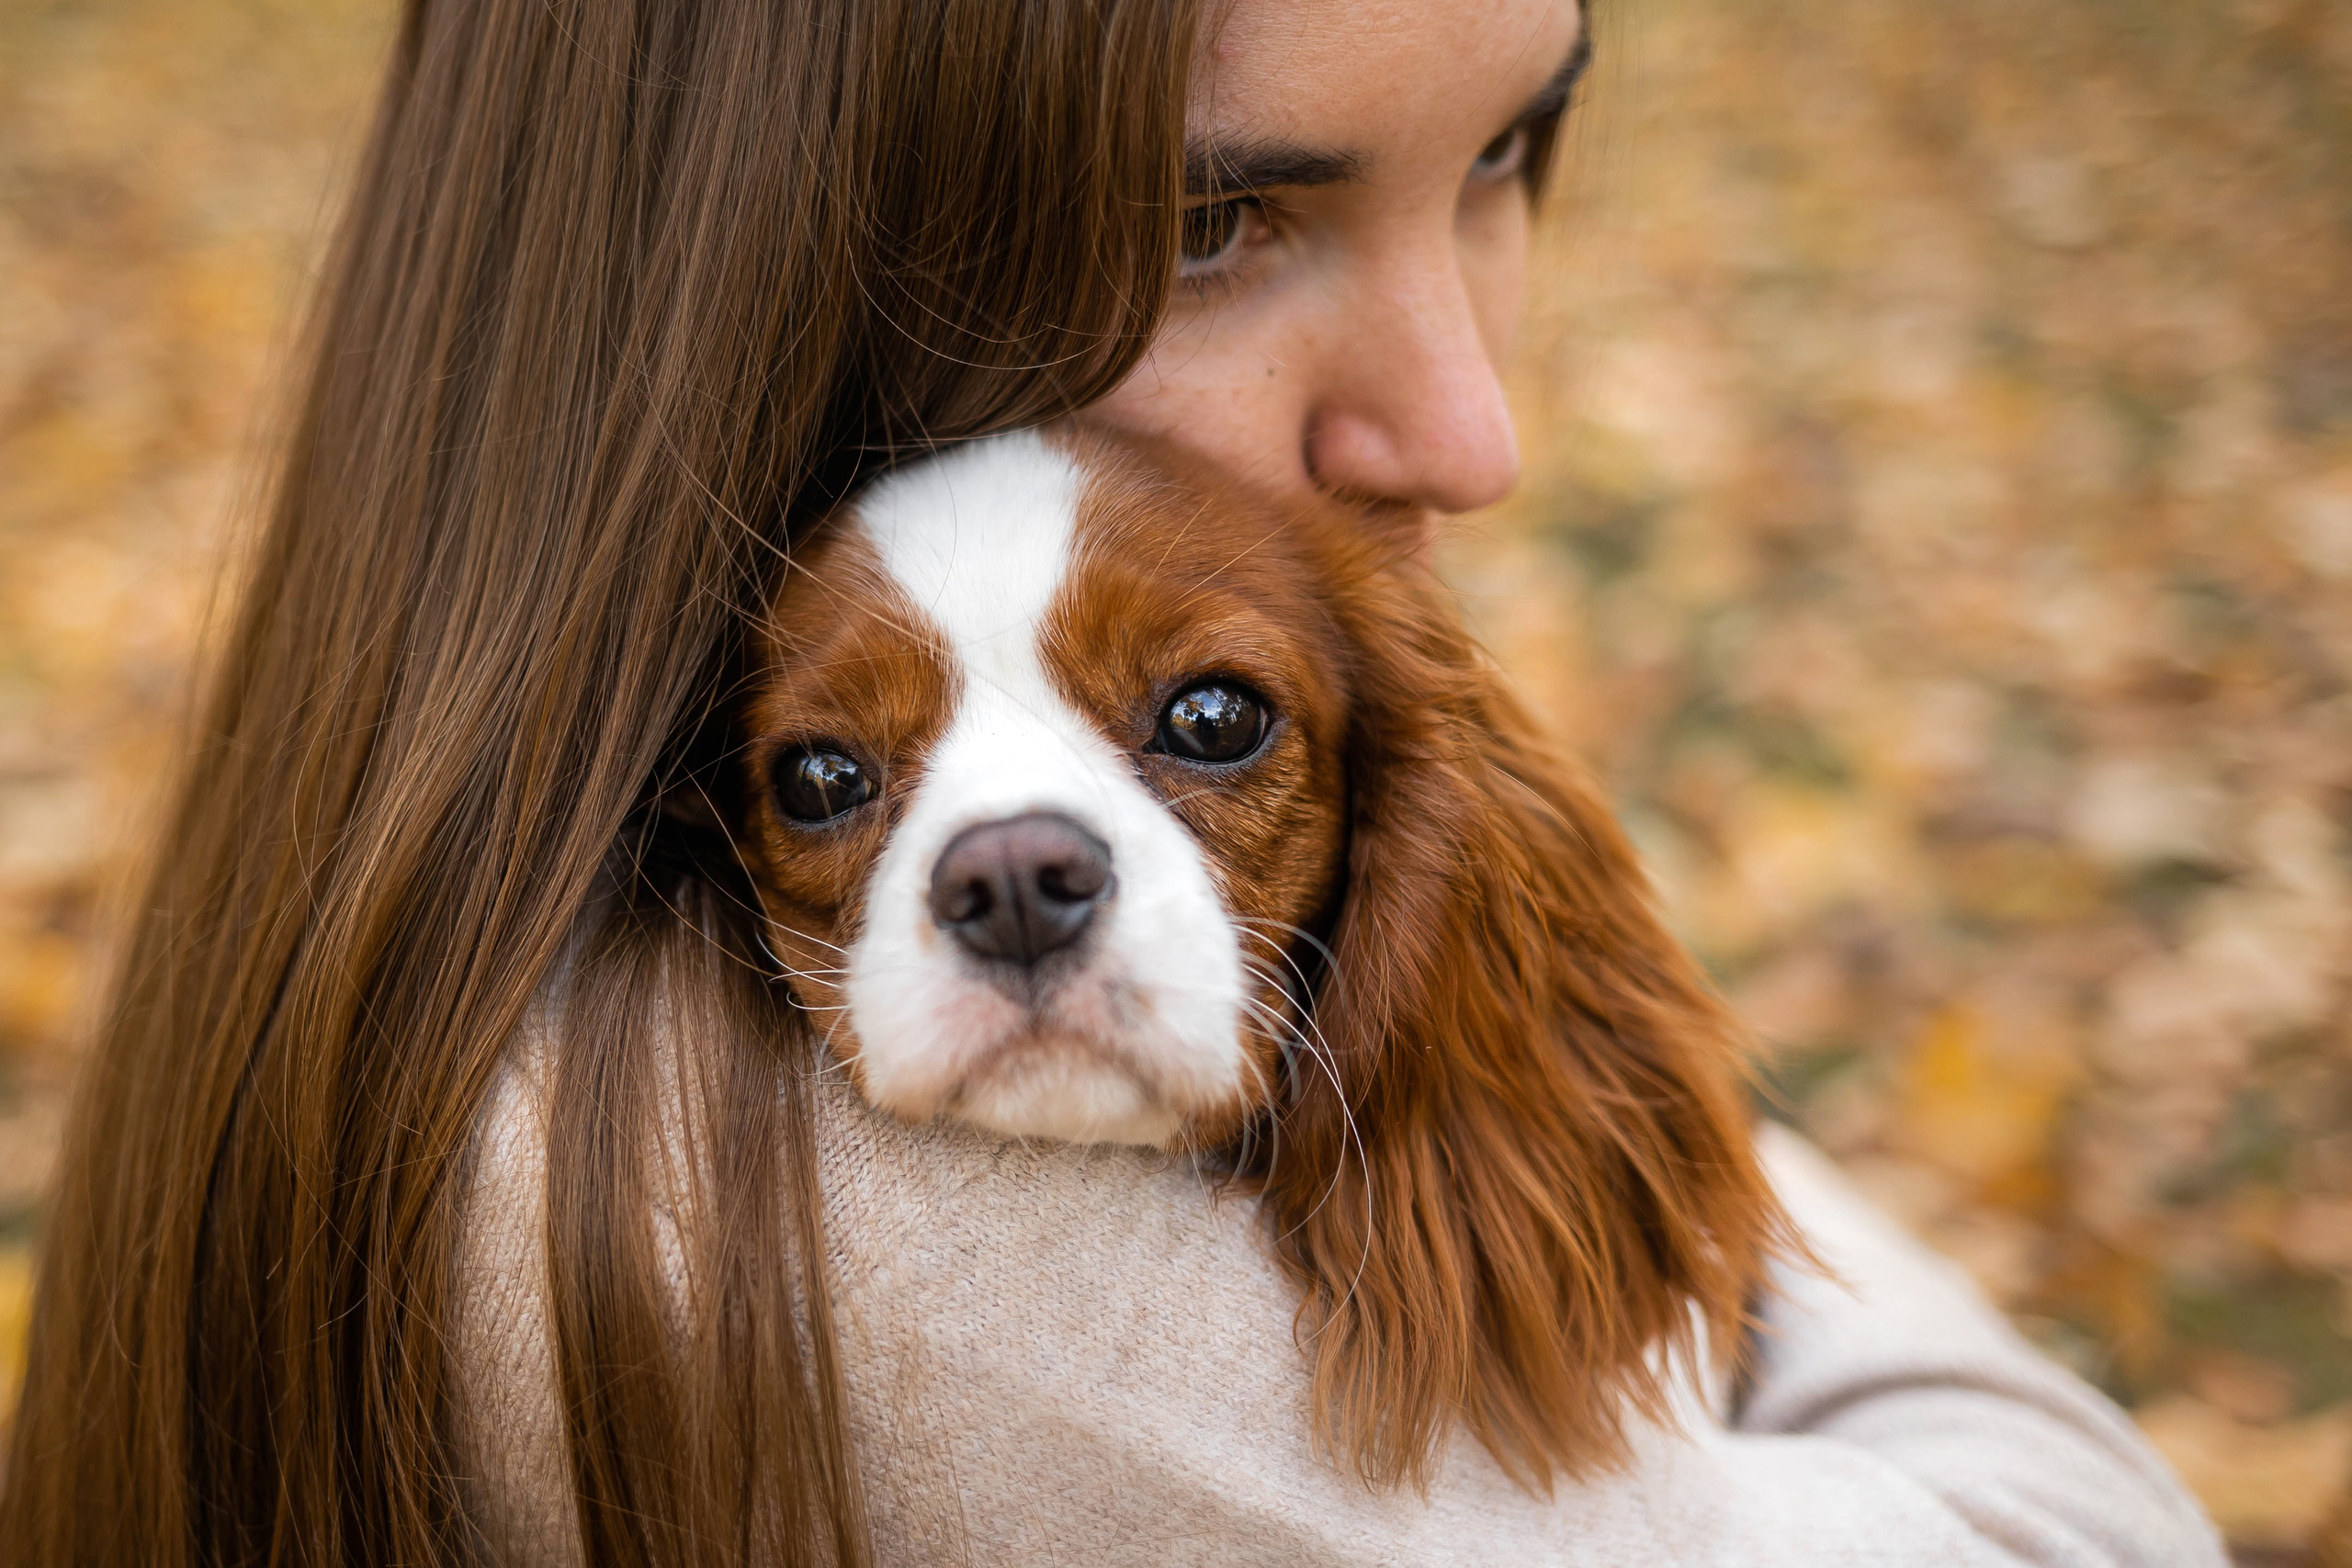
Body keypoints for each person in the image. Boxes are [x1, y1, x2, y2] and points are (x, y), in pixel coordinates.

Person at [0, 0, 2225, 1563]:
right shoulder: (797, 1247)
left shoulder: (395, 923)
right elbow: (2093, 1526)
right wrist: (1771, 1226)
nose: (1472, 437)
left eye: (1508, 154)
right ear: (758, 267)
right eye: (1211, 217)